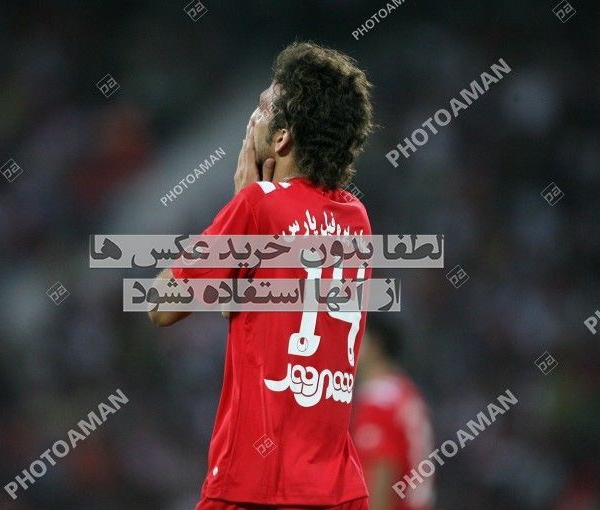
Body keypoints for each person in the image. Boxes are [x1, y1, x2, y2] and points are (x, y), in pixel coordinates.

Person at [148, 41, 375, 510]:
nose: (251, 119)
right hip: (338, 491)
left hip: (255, 487)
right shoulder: (357, 218)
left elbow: (162, 305)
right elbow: (253, 311)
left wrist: (238, 205)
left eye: (262, 107)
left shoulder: (256, 205)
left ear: (282, 138)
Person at [351, 318, 434, 510]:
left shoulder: (379, 401)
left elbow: (383, 470)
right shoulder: (406, 393)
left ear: (376, 345)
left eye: (357, 335)